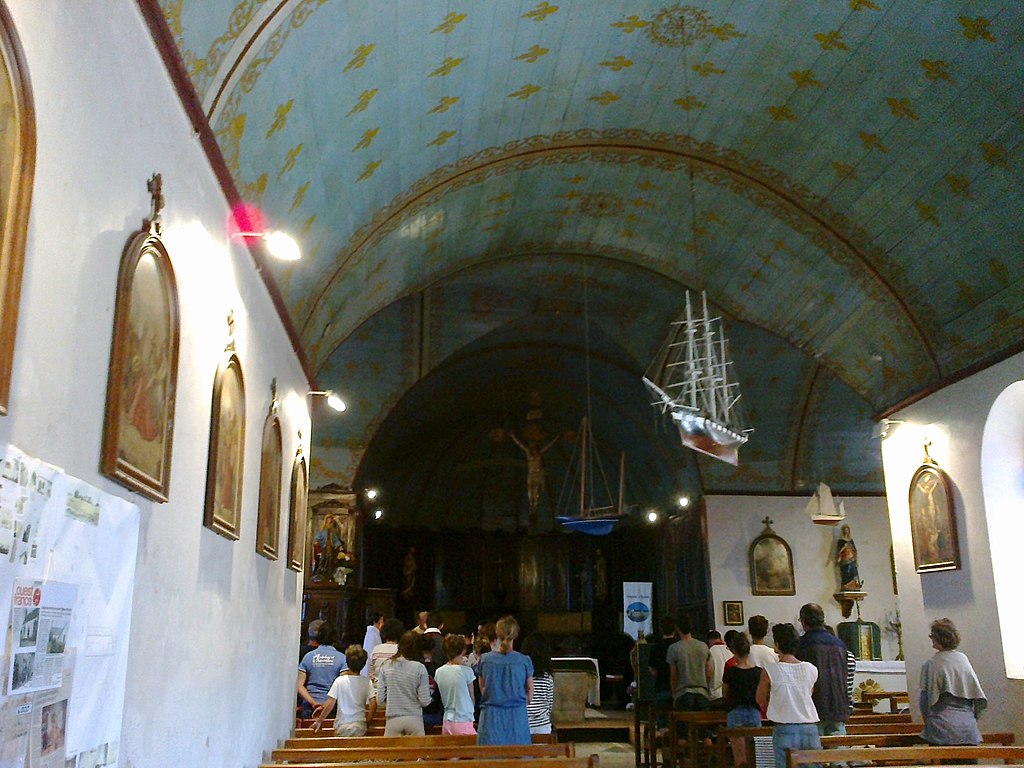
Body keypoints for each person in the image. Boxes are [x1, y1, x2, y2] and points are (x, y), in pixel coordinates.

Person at [756, 623, 821, 768]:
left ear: (777, 645)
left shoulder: (770, 670)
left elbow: (759, 699)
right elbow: (809, 693)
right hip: (809, 727)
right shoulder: (811, 669)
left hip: (785, 727)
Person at [919, 618, 986, 745]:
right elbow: (977, 700)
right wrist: (971, 719)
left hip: (941, 730)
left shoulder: (931, 664)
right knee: (968, 765)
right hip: (968, 729)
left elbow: (925, 700)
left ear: (938, 638)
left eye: (932, 636)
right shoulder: (963, 659)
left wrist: (928, 721)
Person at [477, 615, 533, 745]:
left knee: (490, 760)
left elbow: (483, 688)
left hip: (491, 719)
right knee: (518, 759)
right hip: (517, 718)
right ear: (516, 635)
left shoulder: (485, 660)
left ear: (497, 633)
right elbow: (530, 693)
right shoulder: (524, 661)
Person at [796, 603, 850, 736]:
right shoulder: (839, 644)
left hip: (815, 708)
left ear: (804, 621)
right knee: (838, 755)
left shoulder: (802, 644)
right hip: (839, 706)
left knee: (815, 755)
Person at [377, 631, 432, 736]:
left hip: (393, 719)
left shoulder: (386, 665)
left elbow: (379, 700)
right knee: (417, 752)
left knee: (391, 752)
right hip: (414, 719)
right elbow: (424, 701)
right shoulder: (419, 668)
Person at [311, 645, 372, 735]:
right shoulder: (367, 682)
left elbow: (330, 703)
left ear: (347, 662)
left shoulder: (340, 680)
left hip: (342, 724)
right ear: (364, 664)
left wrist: (320, 720)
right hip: (360, 724)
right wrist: (368, 720)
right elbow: (373, 703)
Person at [722, 632, 761, 766]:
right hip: (754, 713)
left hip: (735, 713)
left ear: (734, 650)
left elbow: (725, 694)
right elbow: (761, 695)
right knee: (755, 758)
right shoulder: (758, 672)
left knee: (740, 759)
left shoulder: (730, 672)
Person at [297, 622, 347, 719]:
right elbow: (343, 687)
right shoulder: (342, 658)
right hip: (332, 708)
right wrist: (326, 705)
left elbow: (299, 686)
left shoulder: (308, 656)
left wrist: (314, 703)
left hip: (309, 706)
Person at [667, 617, 712, 711]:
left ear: (677, 629)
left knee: (684, 724)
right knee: (702, 724)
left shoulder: (674, 648)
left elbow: (673, 675)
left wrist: (674, 694)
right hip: (702, 692)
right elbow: (709, 671)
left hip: (683, 692)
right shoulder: (703, 646)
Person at [435, 633, 477, 735]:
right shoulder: (467, 671)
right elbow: (472, 698)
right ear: (463, 650)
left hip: (447, 719)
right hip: (463, 718)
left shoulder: (439, 671)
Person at [522, 632, 554, 735]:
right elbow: (549, 703)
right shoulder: (547, 677)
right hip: (542, 725)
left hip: (523, 722)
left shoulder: (521, 675)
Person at [707, 630, 732, 707]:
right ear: (720, 639)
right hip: (730, 695)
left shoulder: (709, 652)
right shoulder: (731, 651)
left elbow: (708, 674)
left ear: (709, 641)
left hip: (715, 695)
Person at [836, 524, 861, 590]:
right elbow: (839, 551)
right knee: (846, 571)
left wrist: (855, 559)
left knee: (853, 570)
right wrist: (844, 547)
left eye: (847, 530)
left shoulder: (851, 540)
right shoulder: (841, 541)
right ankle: (846, 585)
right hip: (845, 558)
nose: (846, 531)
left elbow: (855, 550)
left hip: (851, 558)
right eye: (845, 530)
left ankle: (853, 585)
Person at [361, 613, 384, 677]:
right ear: (375, 622)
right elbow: (370, 654)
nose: (382, 624)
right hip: (370, 669)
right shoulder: (372, 634)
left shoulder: (374, 633)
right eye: (381, 621)